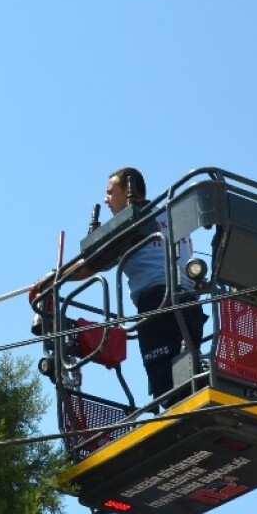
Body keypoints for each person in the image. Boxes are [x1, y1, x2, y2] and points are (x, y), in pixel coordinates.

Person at [103, 167, 205, 405]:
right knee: (188, 376)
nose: (106, 199)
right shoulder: (171, 215)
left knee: (166, 387)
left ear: (128, 192)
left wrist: (54, 277)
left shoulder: (128, 222)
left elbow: (91, 262)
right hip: (191, 306)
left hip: (157, 305)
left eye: (110, 192)